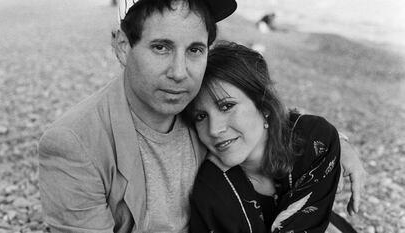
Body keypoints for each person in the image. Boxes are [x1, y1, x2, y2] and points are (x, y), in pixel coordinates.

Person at [38, 0, 364, 232]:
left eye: (194, 50)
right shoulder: (75, 144)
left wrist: (337, 142)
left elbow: (253, 106)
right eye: (161, 47)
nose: (180, 73)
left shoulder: (193, 107)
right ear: (123, 46)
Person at [186, 41, 356, 232]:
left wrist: (342, 143)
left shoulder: (315, 143)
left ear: (264, 105)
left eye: (227, 106)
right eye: (200, 116)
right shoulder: (212, 190)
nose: (214, 129)